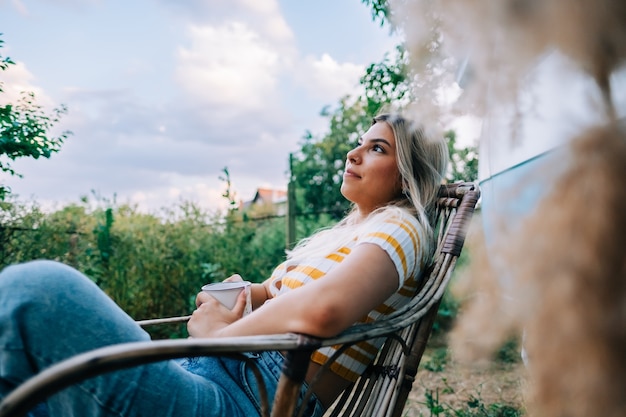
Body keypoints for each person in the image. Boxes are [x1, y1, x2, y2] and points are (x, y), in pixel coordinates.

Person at [0, 113, 449, 417]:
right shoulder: (348, 235)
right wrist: (237, 292)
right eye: (358, 144)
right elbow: (276, 295)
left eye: (376, 149)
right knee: (30, 367)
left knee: (39, 292)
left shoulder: (401, 227)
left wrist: (216, 337)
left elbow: (324, 310)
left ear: (409, 173)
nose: (353, 153)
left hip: (241, 398)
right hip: (220, 375)